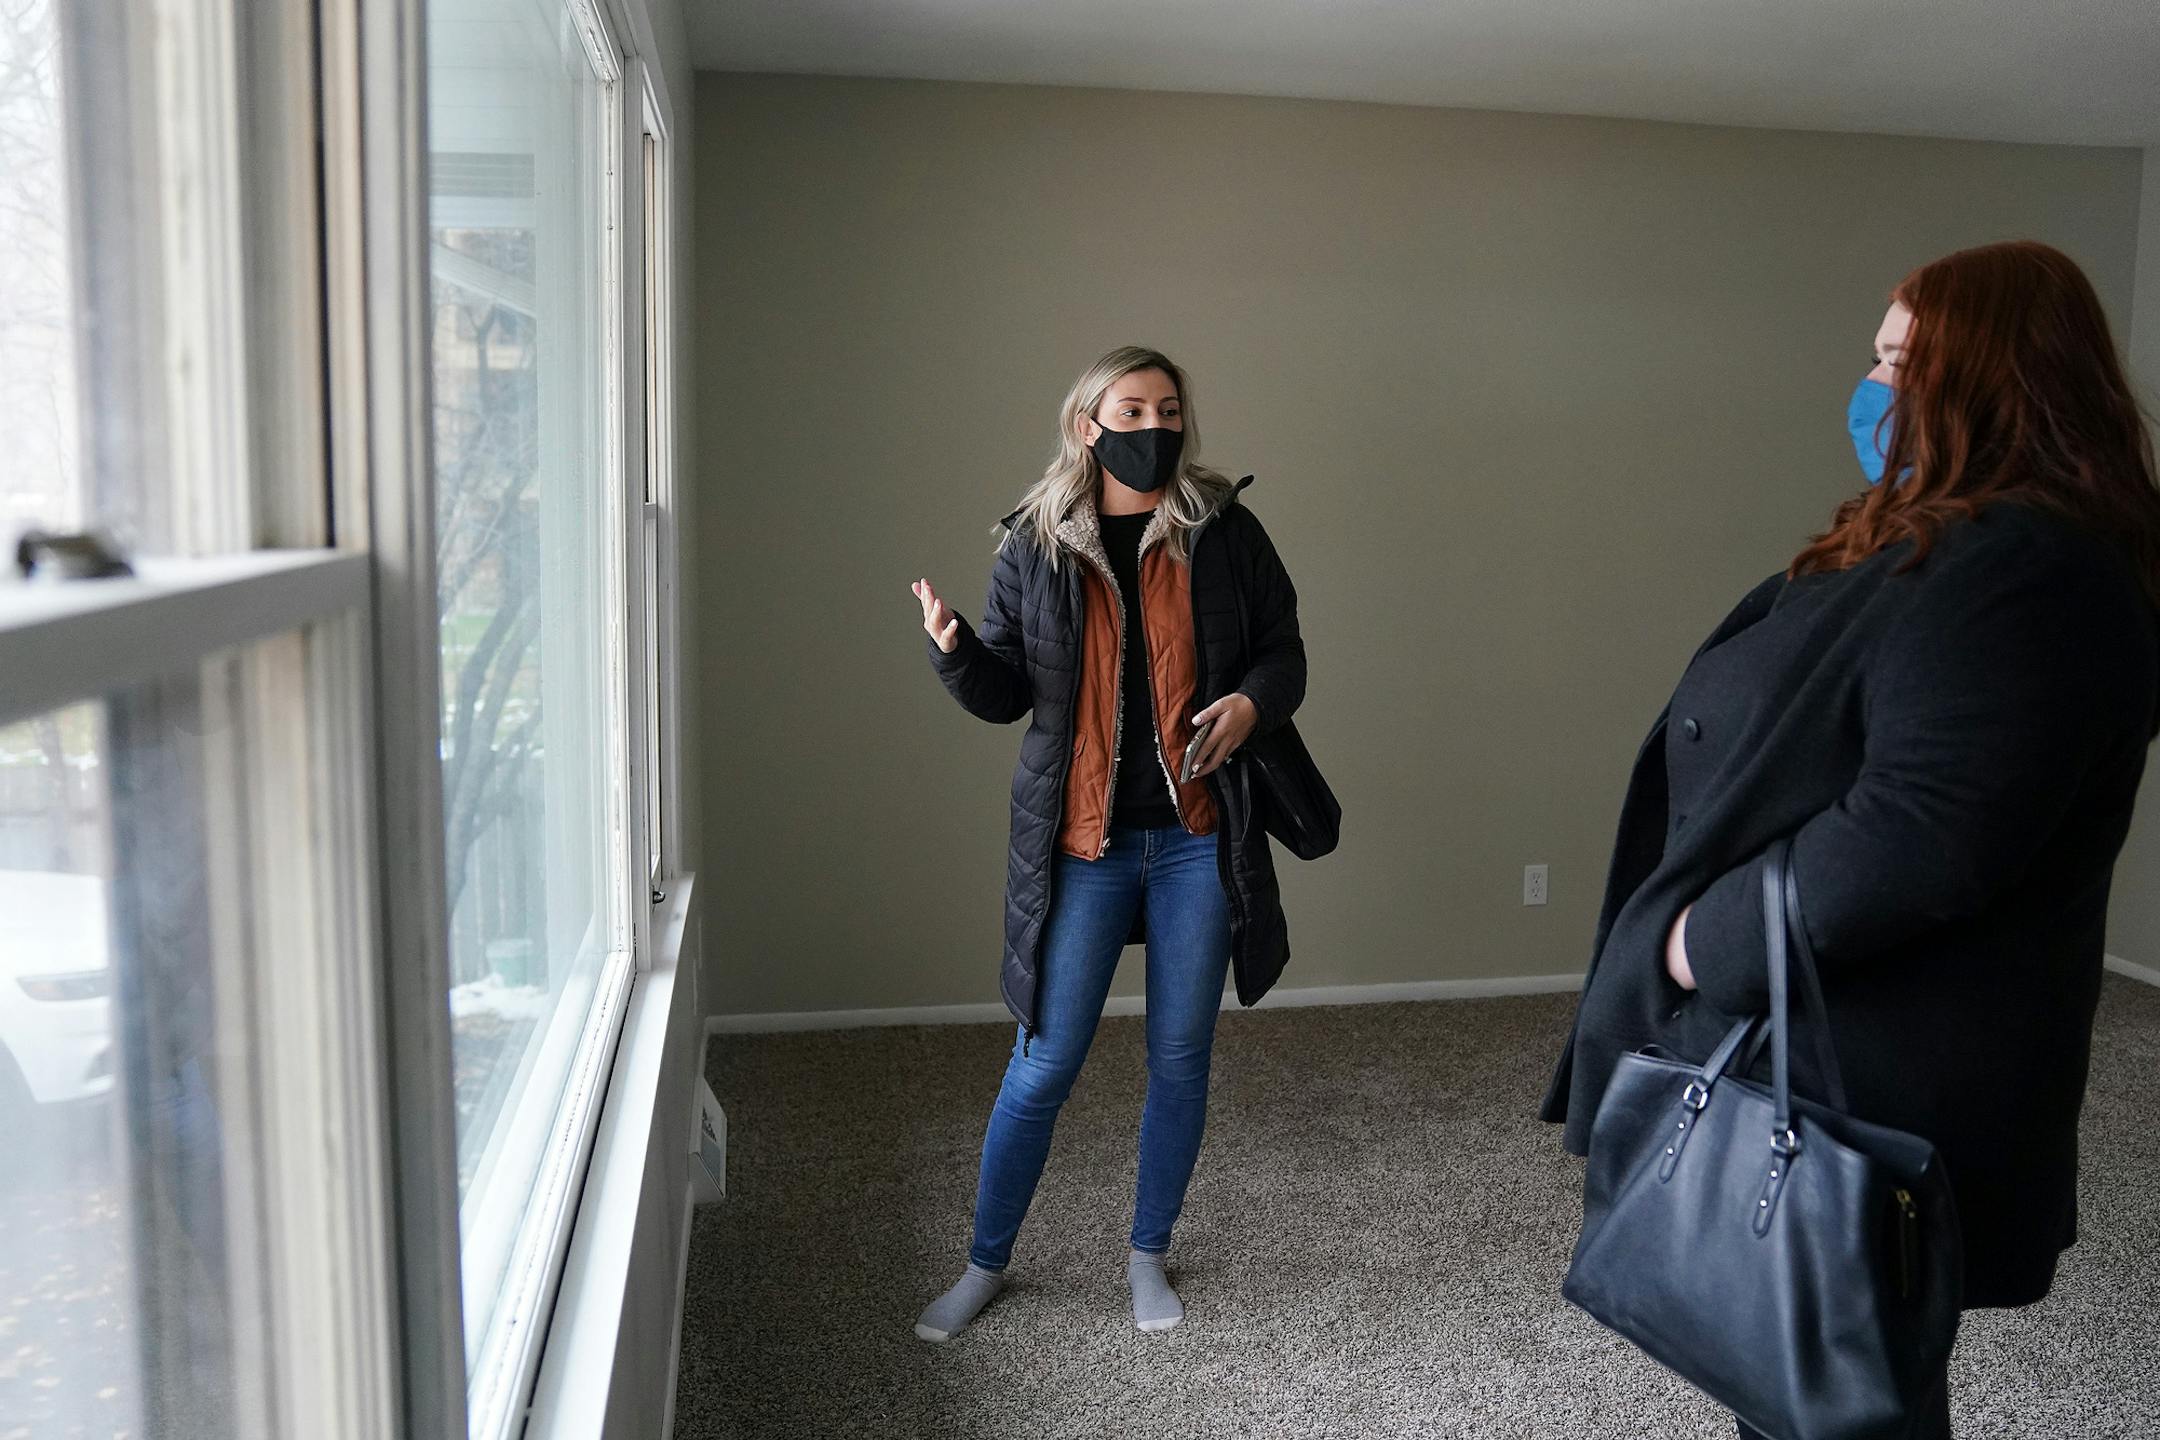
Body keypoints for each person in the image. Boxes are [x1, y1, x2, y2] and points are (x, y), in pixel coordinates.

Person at [1542, 240, 2160, 1438]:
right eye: (1874, 356)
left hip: (1868, 1057)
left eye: (1899, 360)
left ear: (1996, 376)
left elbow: (1921, 832)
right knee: (1793, 1375)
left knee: (1834, 1391)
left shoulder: (2026, 567)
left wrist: (1692, 946)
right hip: (1820, 1031)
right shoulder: (1942, 537)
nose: (1873, 386)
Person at [909, 345, 1307, 1341]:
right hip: (1082, 841)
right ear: (1087, 424)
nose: (1156, 427)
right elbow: (1010, 695)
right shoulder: (1035, 546)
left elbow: (1284, 649)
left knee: (1181, 1056)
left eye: (1169, 409)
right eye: (1133, 409)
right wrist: (955, 649)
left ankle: (1146, 1257)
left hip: (1194, 839)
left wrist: (1253, 706)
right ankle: (985, 1265)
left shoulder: (1223, 533)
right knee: (1044, 1063)